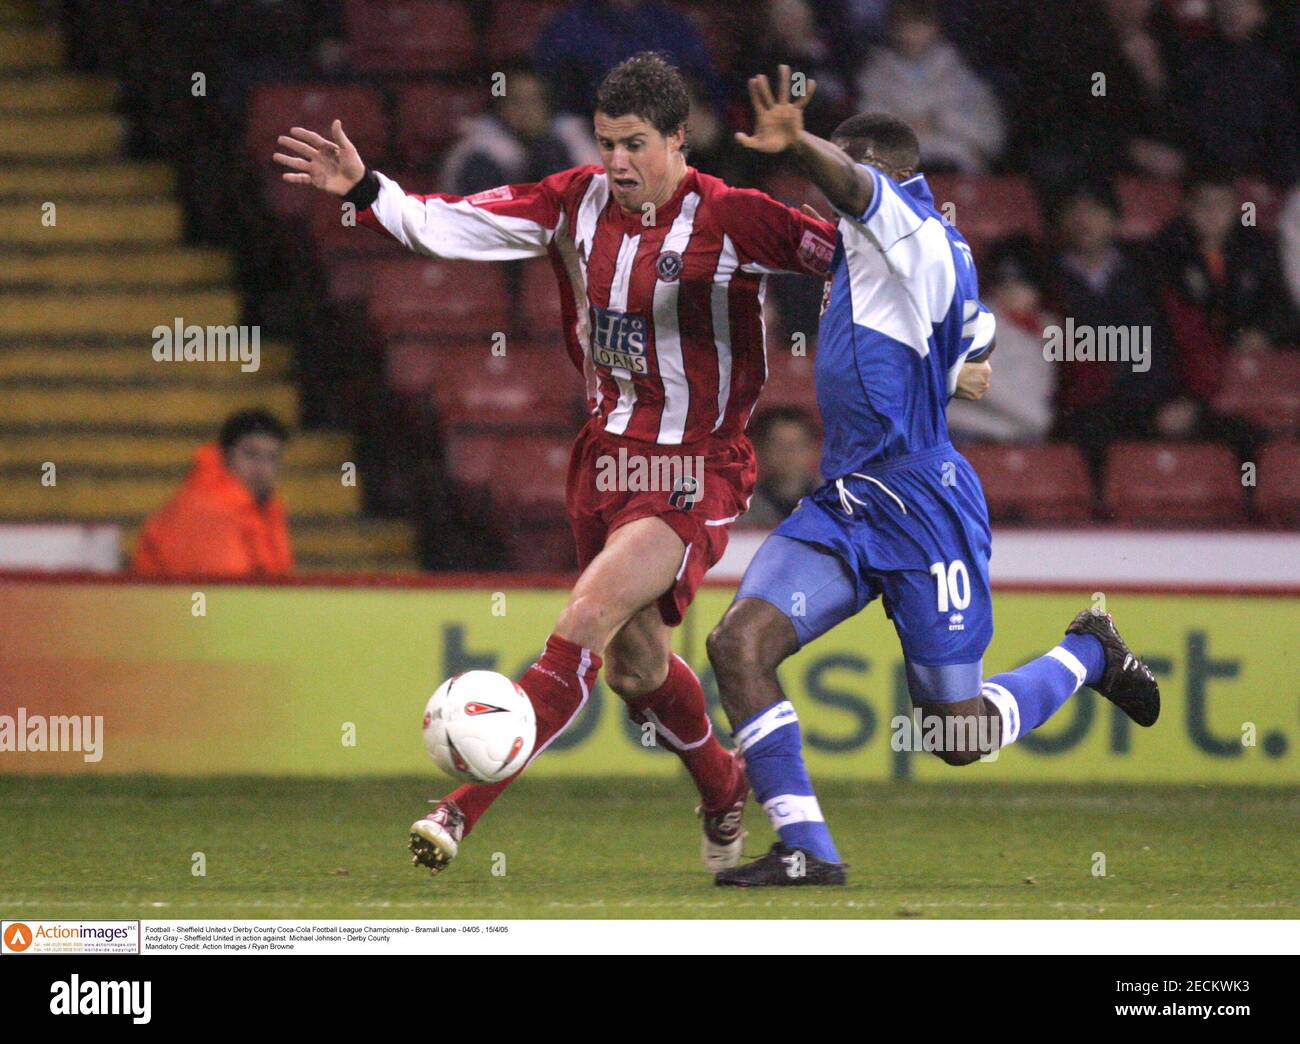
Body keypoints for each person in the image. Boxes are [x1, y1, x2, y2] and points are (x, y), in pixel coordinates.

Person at [273, 52, 839, 877]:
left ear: (680, 140)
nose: (617, 161)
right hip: (605, 457)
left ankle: (458, 811)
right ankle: (724, 785)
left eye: (636, 144)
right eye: (608, 141)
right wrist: (368, 190)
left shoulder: (735, 216)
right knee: (635, 667)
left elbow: (849, 258)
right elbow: (455, 223)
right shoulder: (573, 200)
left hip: (695, 465)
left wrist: (949, 338)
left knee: (583, 618)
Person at [705, 70, 1160, 886]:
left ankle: (1088, 653)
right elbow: (971, 322)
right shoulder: (919, 250)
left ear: (877, 168)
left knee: (956, 736)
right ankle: (807, 849)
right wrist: (966, 362)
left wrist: (799, 144)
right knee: (736, 644)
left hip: (921, 506)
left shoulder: (903, 225)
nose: (828, 201)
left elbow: (855, 188)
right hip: (846, 501)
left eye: (846, 176)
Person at [132, 409, 293, 578]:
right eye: (251, 454)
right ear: (226, 456)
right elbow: (224, 593)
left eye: (273, 458)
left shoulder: (265, 511)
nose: (263, 470)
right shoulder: (207, 509)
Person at [854, 0, 1005, 173]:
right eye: (904, 27)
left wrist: (938, 120)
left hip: (950, 158)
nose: (911, 35)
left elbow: (988, 133)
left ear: (934, 29)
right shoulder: (876, 73)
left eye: (919, 27)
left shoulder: (958, 73)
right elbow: (865, 122)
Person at [439, 61, 598, 196]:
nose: (526, 111)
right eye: (516, 101)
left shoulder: (567, 142)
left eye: (534, 101)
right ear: (501, 107)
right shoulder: (480, 155)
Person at [740, 408, 821, 527]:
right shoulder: (742, 507)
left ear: (813, 450)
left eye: (796, 446)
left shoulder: (838, 502)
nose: (788, 454)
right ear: (761, 450)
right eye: (778, 446)